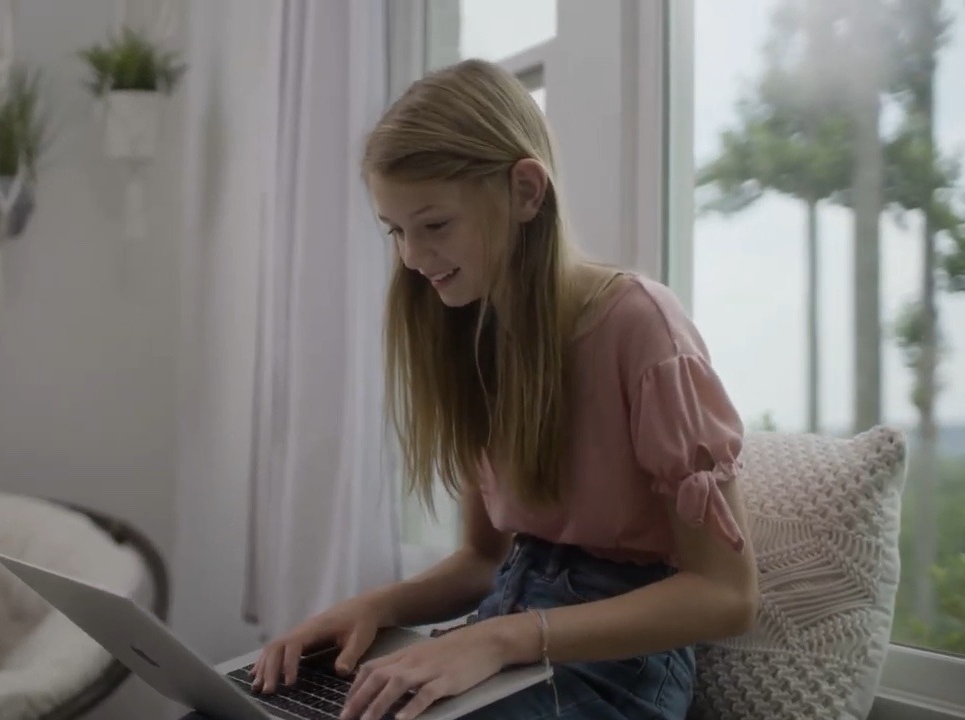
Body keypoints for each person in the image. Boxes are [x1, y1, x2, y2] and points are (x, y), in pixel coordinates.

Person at [186, 58, 759, 720]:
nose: (410, 257)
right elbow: (485, 560)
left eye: (434, 226)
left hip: (614, 671)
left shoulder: (641, 326)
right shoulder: (471, 330)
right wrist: (375, 606)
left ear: (525, 192)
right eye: (395, 231)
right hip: (502, 632)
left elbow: (728, 595)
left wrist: (504, 638)